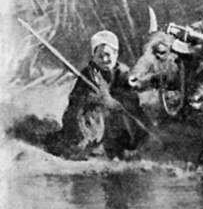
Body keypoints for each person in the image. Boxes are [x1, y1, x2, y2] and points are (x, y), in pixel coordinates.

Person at [45, 30, 149, 160]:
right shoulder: (89, 74)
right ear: (93, 56)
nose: (105, 60)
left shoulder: (124, 73)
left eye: (108, 55)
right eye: (100, 56)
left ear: (116, 54)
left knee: (129, 125)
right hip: (90, 116)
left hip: (117, 116)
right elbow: (77, 99)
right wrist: (98, 98)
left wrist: (118, 102)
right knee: (86, 136)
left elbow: (133, 97)